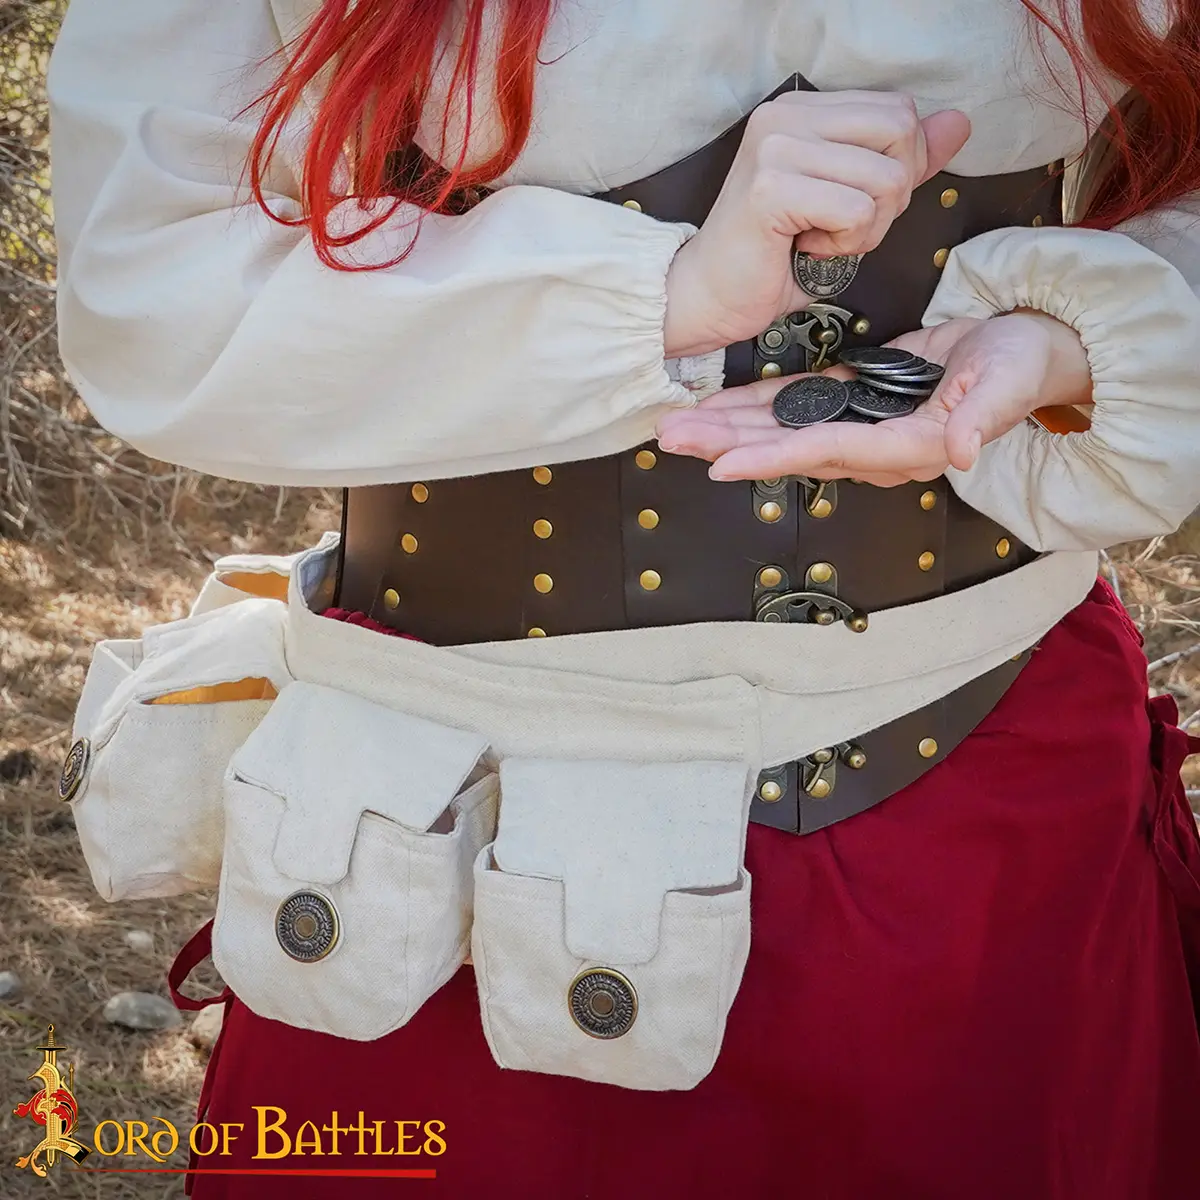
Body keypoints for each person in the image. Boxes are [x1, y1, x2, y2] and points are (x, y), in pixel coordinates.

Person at [47, 1, 1200, 1197]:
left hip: (993, 805)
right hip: (457, 832)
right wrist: (666, 296)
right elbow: (153, 283)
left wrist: (1065, 342)